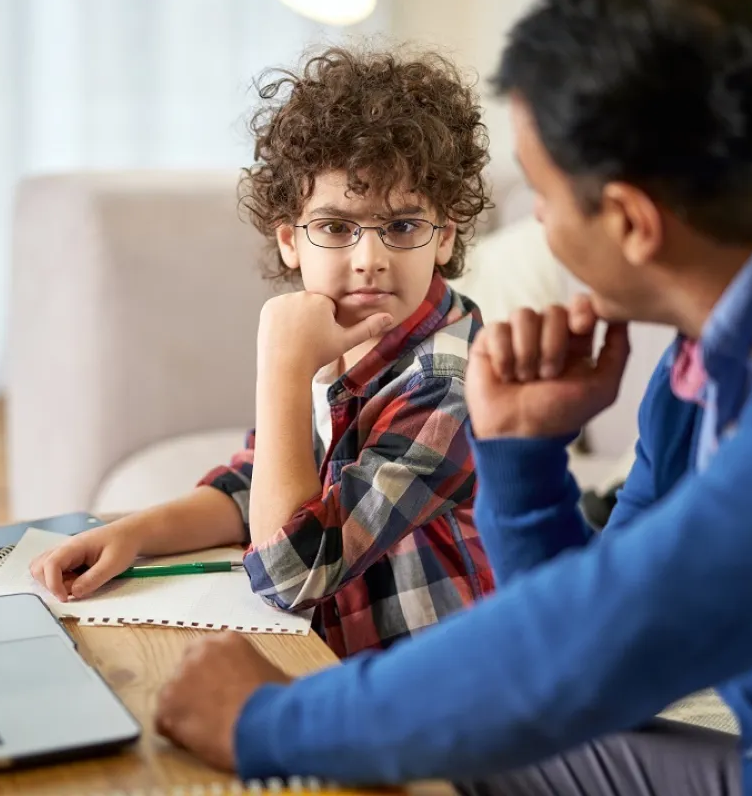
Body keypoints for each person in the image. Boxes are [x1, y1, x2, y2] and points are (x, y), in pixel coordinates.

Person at [148, 0, 752, 795]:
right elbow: (606, 647)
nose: (534, 218)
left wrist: (272, 722)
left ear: (631, 222)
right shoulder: (704, 360)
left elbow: (607, 635)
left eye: (540, 193)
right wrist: (525, 456)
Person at [31, 46, 497, 660]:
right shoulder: (334, 334)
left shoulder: (452, 381)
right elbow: (258, 483)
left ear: (444, 237)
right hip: (334, 654)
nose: (369, 259)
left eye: (403, 227)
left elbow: (291, 574)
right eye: (335, 228)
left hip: (437, 686)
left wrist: (281, 367)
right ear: (289, 241)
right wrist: (134, 533)